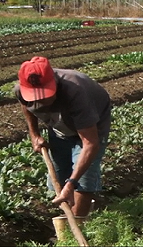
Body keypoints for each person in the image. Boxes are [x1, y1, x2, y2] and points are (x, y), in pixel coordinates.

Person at [16, 56, 112, 219]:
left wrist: (73, 182)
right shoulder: (21, 90)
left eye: (45, 94)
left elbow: (90, 143)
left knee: (83, 181)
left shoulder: (75, 91)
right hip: (59, 127)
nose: (40, 100)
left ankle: (78, 224)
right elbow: (26, 106)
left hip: (91, 126)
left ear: (54, 80)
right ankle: (71, 214)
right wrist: (34, 134)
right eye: (35, 96)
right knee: (59, 175)